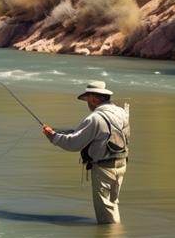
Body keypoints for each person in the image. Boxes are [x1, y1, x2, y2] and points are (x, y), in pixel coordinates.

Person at [42, 81, 130, 224]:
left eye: (88, 99)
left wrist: (52, 136)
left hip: (104, 169)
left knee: (105, 215)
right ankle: (117, 236)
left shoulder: (94, 118)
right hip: (121, 164)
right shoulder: (121, 112)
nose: (87, 103)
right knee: (112, 204)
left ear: (95, 99)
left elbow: (73, 144)